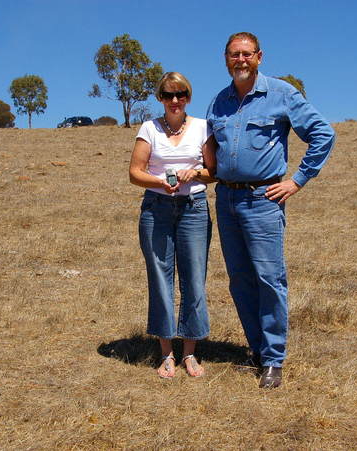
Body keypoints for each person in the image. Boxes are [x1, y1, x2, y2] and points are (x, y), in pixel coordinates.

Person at [207, 32, 335, 388]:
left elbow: (323, 134)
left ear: (259, 57)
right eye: (235, 54)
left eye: (247, 54)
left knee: (269, 279)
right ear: (226, 58)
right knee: (239, 280)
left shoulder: (281, 93)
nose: (241, 60)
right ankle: (257, 349)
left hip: (264, 200)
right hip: (227, 200)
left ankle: (274, 359)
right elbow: (209, 152)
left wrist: (297, 180)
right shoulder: (218, 101)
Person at [129, 72, 217, 379]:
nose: (175, 100)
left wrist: (196, 174)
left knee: (194, 280)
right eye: (168, 95)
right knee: (160, 280)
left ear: (189, 97)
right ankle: (166, 354)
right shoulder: (149, 129)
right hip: (157, 210)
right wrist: (159, 182)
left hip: (193, 209)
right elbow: (134, 172)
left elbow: (213, 170)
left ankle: (189, 354)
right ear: (160, 98)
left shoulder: (203, 128)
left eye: (181, 94)